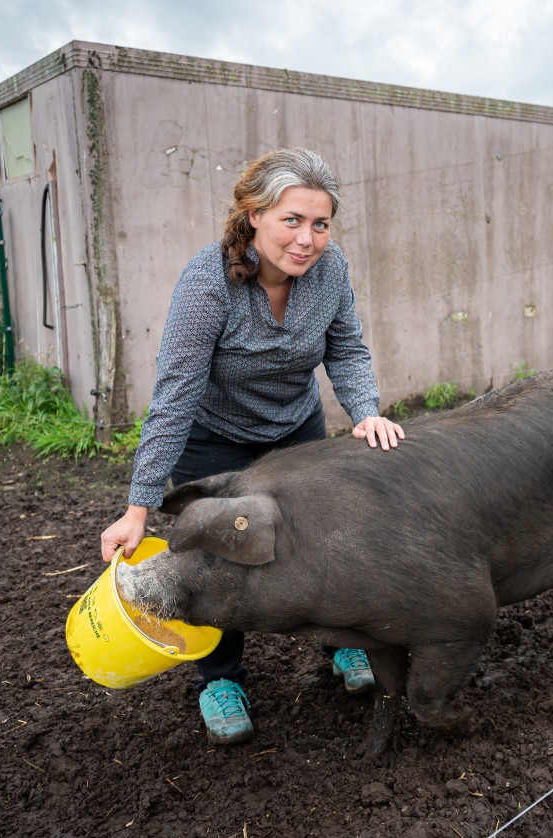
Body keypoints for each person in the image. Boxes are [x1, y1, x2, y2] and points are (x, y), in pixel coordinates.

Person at [100, 147, 405, 746]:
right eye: (292, 220)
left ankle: (344, 643)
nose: (308, 239)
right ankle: (219, 678)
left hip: (295, 427)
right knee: (213, 551)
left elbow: (346, 347)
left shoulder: (331, 269)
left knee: (321, 535)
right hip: (211, 437)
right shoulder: (206, 281)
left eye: (320, 223)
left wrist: (365, 411)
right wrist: (138, 506)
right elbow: (175, 393)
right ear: (253, 215)